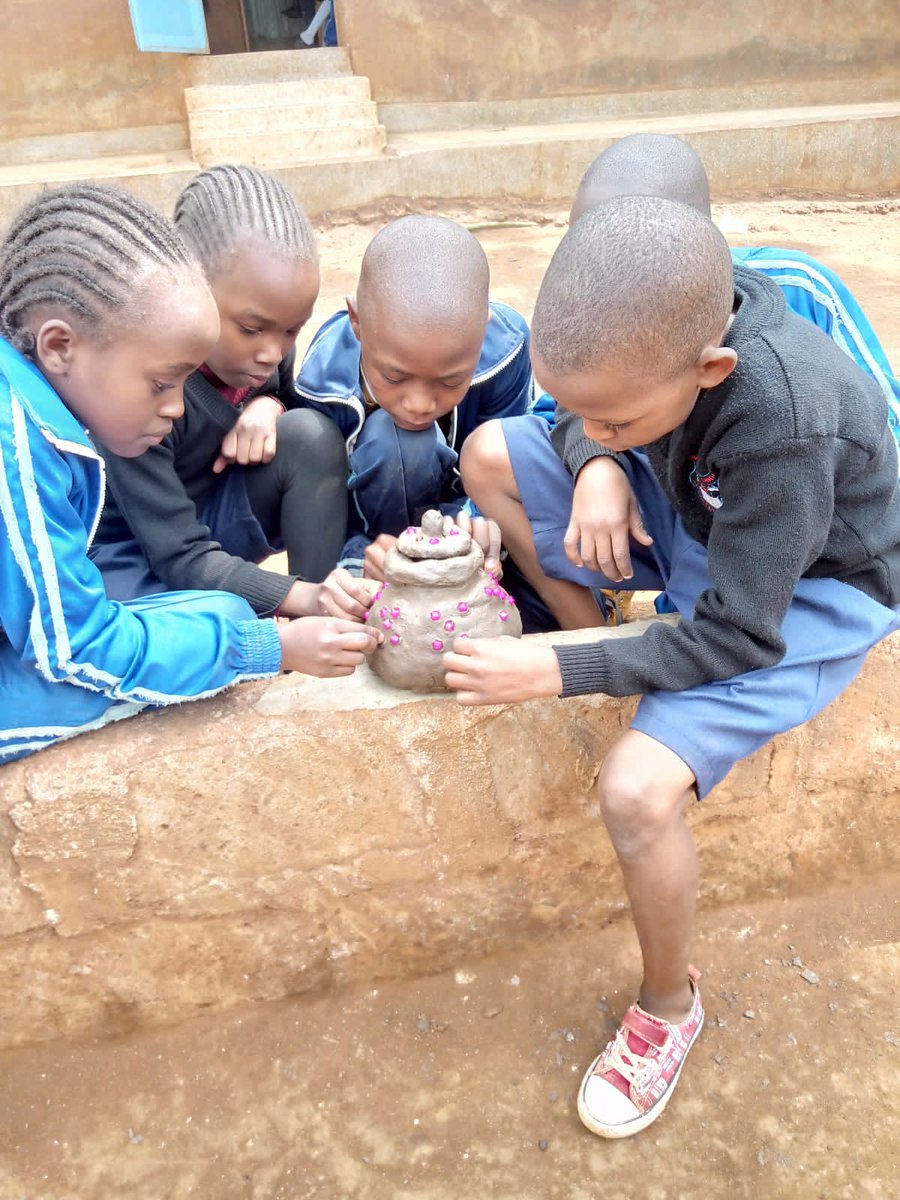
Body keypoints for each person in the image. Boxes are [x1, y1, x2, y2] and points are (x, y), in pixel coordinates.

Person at [447, 196, 900, 1137]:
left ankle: (666, 1009)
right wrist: (597, 458)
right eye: (582, 409)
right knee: (491, 450)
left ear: (712, 370)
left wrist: (558, 672)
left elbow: (739, 635)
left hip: (807, 589)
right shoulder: (647, 353)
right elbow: (574, 408)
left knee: (638, 791)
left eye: (611, 418)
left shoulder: (782, 420)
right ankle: (610, 617)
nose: (590, 423)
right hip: (696, 507)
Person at [0, 182, 379, 765]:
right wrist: (267, 645)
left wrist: (267, 404)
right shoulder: (17, 446)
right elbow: (75, 649)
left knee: (215, 623)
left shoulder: (40, 400)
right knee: (218, 634)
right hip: (62, 639)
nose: (178, 407)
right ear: (59, 346)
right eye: (161, 384)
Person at [90, 165, 361, 628]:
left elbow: (281, 388)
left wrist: (268, 404)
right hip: (134, 553)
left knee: (311, 437)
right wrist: (293, 595)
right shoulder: (144, 392)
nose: (271, 352)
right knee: (189, 631)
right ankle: (301, 610)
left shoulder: (265, 342)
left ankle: (321, 625)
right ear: (190, 285)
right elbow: (177, 554)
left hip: (210, 521)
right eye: (251, 329)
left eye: (292, 329)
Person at [572, 134, 900, 453]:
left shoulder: (801, 288)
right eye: (586, 248)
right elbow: (563, 401)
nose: (608, 269)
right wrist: (595, 462)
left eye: (638, 253)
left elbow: (884, 425)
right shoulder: (579, 294)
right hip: (643, 473)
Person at [293, 214, 538, 579]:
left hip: (460, 520)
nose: (421, 404)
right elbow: (320, 502)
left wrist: (472, 521)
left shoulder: (505, 351)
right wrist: (363, 556)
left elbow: (511, 466)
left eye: (451, 380)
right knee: (401, 441)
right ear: (356, 322)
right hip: (370, 534)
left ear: (481, 331)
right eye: (395, 377)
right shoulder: (324, 379)